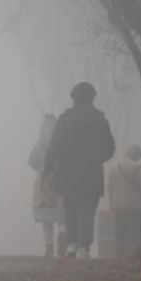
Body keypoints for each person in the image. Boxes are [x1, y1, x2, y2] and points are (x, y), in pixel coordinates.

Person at [44, 82, 115, 259]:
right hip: (92, 172)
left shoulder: (65, 120)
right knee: (88, 209)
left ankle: (72, 244)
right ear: (92, 98)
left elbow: (54, 147)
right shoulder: (100, 120)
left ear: (74, 98)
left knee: (71, 208)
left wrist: (49, 169)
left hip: (69, 172)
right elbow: (110, 148)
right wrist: (98, 158)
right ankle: (84, 247)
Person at [28, 114, 64, 257]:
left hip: (44, 182)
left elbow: (32, 161)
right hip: (59, 180)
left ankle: (49, 247)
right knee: (61, 213)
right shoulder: (63, 139)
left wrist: (43, 164)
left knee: (45, 216)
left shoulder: (40, 142)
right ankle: (63, 235)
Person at [107, 144, 141, 258]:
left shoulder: (114, 167)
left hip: (118, 204)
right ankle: (137, 252)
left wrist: (112, 203)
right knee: (136, 229)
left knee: (120, 229)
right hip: (135, 203)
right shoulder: (138, 166)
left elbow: (110, 188)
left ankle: (119, 252)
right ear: (137, 155)